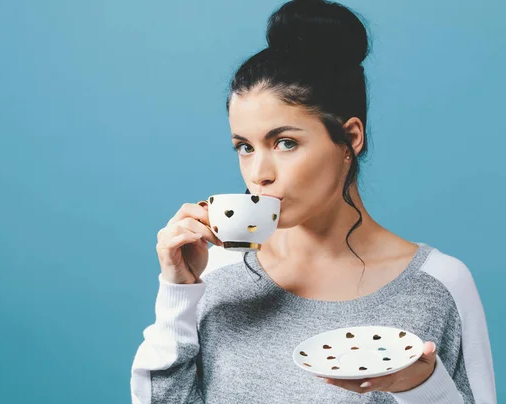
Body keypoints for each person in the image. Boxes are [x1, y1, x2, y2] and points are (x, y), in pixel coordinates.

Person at [130, 0, 496, 402]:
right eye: (245, 147)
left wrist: (423, 388)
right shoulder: (212, 273)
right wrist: (177, 293)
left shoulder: (438, 285)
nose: (258, 173)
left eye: (285, 142)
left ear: (350, 138)